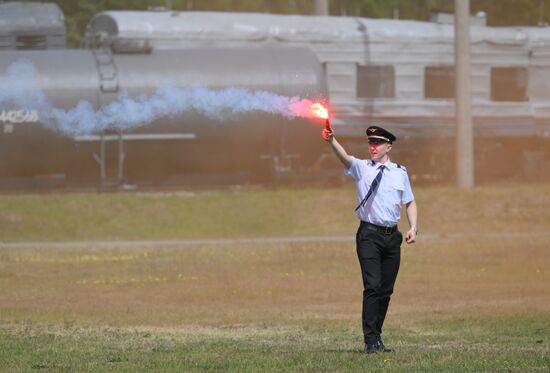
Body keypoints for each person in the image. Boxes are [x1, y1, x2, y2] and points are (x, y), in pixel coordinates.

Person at [322, 124, 418, 354]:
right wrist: (332, 141)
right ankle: (370, 341)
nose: (372, 147)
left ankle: (377, 338)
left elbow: (410, 202)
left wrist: (414, 227)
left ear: (388, 147)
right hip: (369, 236)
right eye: (370, 143)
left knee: (386, 290)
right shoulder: (362, 168)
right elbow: (345, 158)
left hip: (392, 237)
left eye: (377, 144)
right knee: (372, 286)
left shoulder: (400, 172)